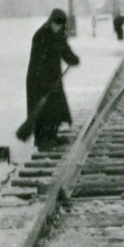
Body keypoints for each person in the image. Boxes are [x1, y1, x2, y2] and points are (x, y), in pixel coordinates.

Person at [26, 8, 80, 151]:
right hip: (37, 79)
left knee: (56, 107)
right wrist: (45, 80)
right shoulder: (41, 35)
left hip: (53, 78)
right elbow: (38, 61)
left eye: (60, 25)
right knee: (42, 109)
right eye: (56, 24)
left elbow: (64, 50)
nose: (58, 27)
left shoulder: (59, 35)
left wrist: (72, 58)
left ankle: (52, 136)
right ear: (51, 21)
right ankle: (41, 140)